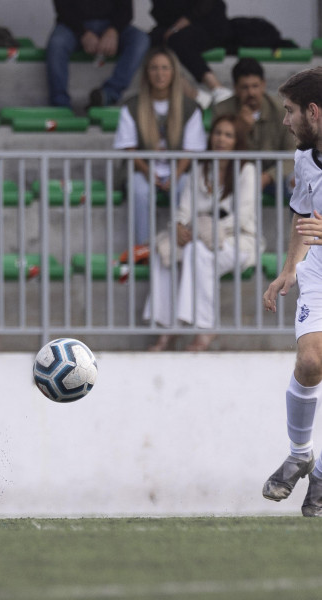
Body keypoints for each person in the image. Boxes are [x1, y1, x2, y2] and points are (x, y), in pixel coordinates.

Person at [143, 115, 262, 352]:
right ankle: (167, 329)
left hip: (237, 240)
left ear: (237, 141)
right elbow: (184, 210)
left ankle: (204, 329)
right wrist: (179, 226)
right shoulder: (199, 170)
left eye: (228, 135)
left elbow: (243, 217)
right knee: (165, 252)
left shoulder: (246, 170)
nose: (221, 139)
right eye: (217, 133)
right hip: (198, 235)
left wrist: (211, 229)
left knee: (197, 252)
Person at [262, 66, 322, 518]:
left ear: (314, 112)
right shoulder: (305, 158)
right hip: (319, 274)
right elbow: (304, 217)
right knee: (310, 360)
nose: (284, 121)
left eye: (289, 111)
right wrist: (290, 268)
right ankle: (300, 454)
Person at [113, 47, 206, 246]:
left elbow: (191, 150)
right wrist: (148, 171)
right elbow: (129, 148)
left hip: (180, 170)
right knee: (139, 189)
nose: (159, 73)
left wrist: (177, 173)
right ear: (146, 73)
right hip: (143, 170)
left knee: (184, 187)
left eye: (165, 68)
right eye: (154, 68)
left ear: (174, 72)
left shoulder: (189, 107)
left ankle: (183, 245)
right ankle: (143, 247)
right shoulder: (132, 105)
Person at [45, 0, 150, 110]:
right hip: (72, 28)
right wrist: (83, 33)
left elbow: (126, 10)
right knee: (56, 44)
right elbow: (62, 7)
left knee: (140, 40)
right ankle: (59, 104)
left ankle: (109, 94)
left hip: (111, 26)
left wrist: (113, 31)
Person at [212, 57, 294, 196]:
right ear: (235, 88)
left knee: (300, 185)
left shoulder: (282, 110)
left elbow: (293, 153)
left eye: (255, 86)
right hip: (235, 176)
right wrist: (241, 130)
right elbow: (217, 154)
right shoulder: (222, 110)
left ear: (263, 85)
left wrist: (268, 177)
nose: (251, 93)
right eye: (245, 87)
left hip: (275, 177)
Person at [148, 0, 233, 109]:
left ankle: (217, 87)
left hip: (207, 22)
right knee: (149, 43)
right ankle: (195, 95)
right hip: (174, 27)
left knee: (177, 40)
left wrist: (175, 28)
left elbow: (205, 5)